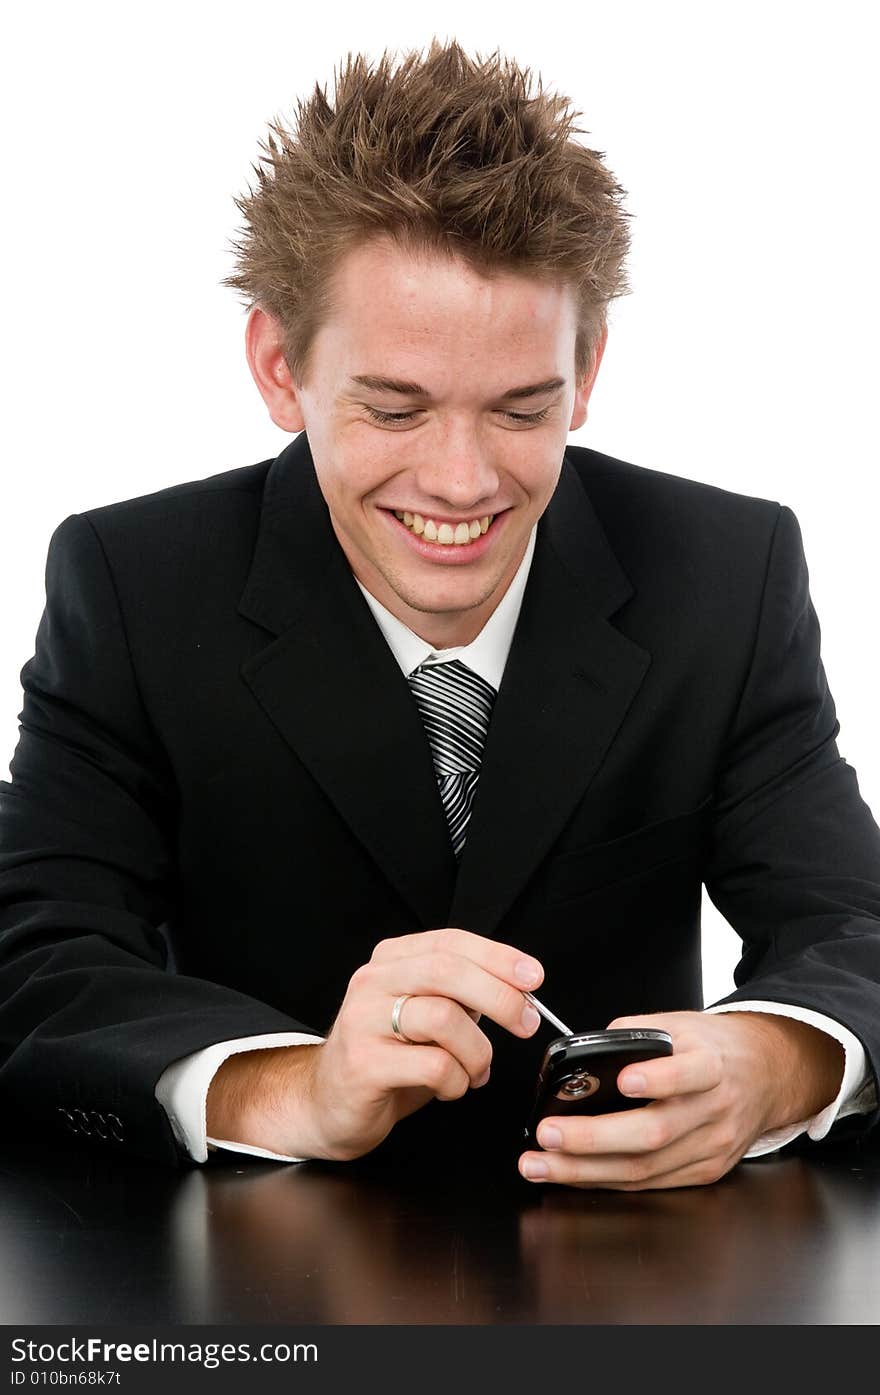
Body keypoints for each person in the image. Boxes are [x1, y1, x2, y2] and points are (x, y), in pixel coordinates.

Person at [1, 41, 878, 1191]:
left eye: (522, 408)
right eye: (395, 408)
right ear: (279, 366)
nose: (463, 484)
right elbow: (36, 953)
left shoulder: (724, 570)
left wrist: (773, 1062)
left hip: (640, 1272)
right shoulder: (132, 580)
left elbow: (850, 922)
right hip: (241, 1272)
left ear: (588, 369)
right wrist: (293, 1088)